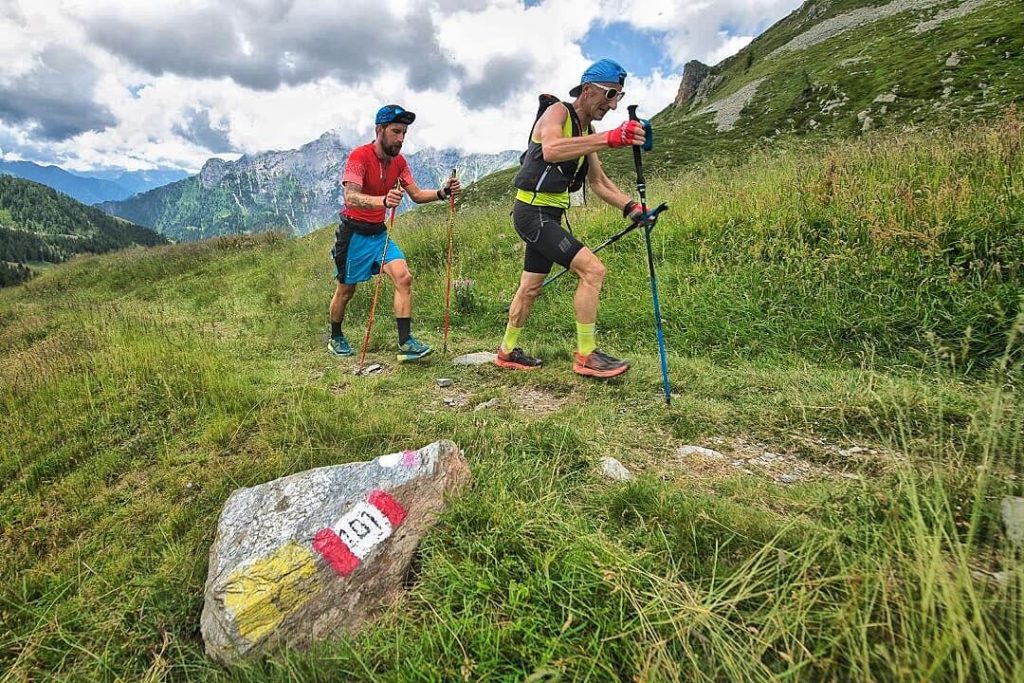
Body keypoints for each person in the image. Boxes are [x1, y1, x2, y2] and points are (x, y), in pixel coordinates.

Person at [496, 58, 646, 378]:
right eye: (610, 94)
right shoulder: (558, 113)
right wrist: (612, 138)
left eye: (619, 96)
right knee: (593, 270)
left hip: (548, 214)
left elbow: (599, 183)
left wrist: (632, 207)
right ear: (588, 89)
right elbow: (550, 150)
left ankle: (507, 351)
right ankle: (586, 355)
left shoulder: (586, 131)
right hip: (532, 212)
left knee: (530, 288)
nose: (614, 104)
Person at [328, 104, 461, 362]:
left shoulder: (399, 162)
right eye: (396, 132)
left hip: (379, 233)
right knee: (346, 290)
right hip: (353, 233)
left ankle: (406, 342)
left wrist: (443, 193)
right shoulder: (359, 156)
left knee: (404, 277)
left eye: (404, 134)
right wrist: (383, 201)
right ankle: (336, 336)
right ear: (380, 129)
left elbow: (418, 195)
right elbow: (350, 197)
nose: (400, 139)